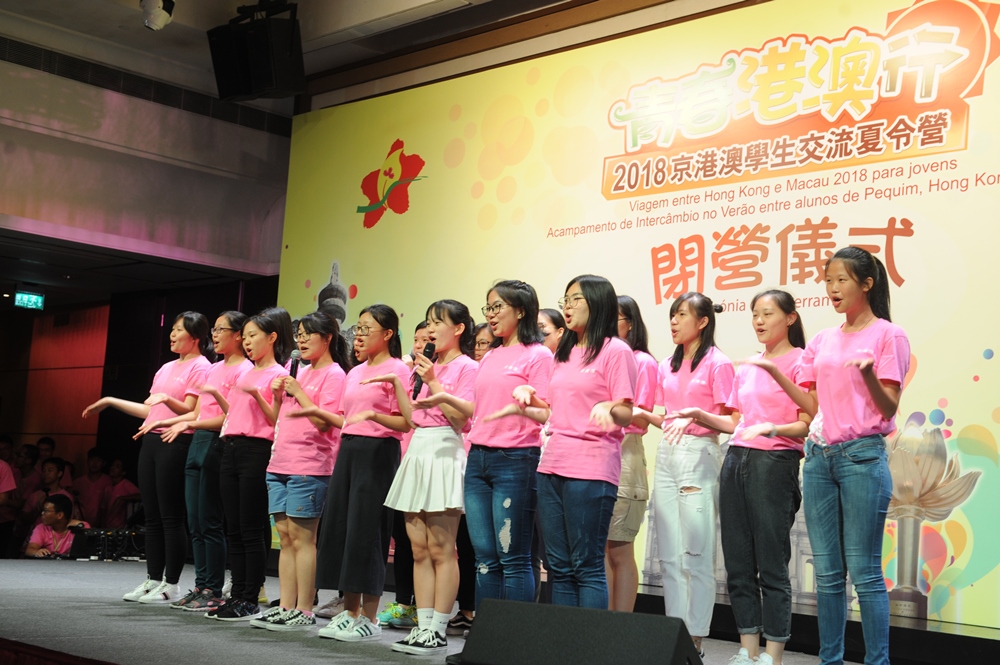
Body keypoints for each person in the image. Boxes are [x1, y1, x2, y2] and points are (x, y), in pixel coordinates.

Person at [673, 290, 810, 665]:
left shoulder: (801, 361)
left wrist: (772, 428)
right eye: (755, 314)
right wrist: (699, 414)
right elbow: (734, 422)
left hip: (775, 461)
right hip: (736, 458)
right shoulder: (749, 364)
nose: (759, 321)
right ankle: (747, 649)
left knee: (772, 563)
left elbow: (807, 423)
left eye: (768, 314)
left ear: (790, 318)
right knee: (737, 562)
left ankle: (773, 653)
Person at [792, 247, 909, 665]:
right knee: (827, 574)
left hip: (862, 457)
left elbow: (889, 406)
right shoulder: (823, 339)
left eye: (841, 280)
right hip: (819, 458)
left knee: (864, 572)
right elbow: (810, 405)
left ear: (867, 284)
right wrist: (772, 373)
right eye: (828, 280)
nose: (833, 288)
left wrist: (867, 373)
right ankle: (831, 660)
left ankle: (877, 661)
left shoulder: (888, 335)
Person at [84, 311, 214, 603]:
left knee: (171, 516)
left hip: (176, 440)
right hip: (152, 440)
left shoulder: (201, 367)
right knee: (152, 516)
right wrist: (110, 401)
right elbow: (150, 410)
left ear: (195, 337)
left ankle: (172, 584)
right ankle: (153, 579)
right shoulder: (165, 367)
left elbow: (192, 411)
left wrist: (167, 400)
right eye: (172, 329)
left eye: (178, 330)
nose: (172, 334)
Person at [375, 300, 478, 654]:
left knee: (442, 548)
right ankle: (422, 625)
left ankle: (438, 628)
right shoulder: (425, 365)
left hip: (445, 449)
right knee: (418, 549)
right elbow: (411, 418)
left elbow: (461, 419)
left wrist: (433, 381)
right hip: (418, 449)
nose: (431, 329)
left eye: (438, 322)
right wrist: (402, 382)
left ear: (459, 328)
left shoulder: (467, 367)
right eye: (429, 322)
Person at [528, 275, 636, 608]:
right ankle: (566, 637)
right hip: (551, 466)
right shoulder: (564, 351)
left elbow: (626, 413)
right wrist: (525, 402)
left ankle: (590, 638)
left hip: (591, 469)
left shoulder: (615, 350)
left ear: (597, 303)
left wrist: (608, 406)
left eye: (576, 299)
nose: (568, 306)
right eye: (566, 300)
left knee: (586, 565)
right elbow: (553, 411)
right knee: (559, 567)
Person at [636, 291, 733, 657]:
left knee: (696, 552)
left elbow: (731, 422)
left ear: (703, 321)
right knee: (669, 555)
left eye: (681, 315)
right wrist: (643, 415)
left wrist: (697, 416)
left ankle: (696, 637)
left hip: (700, 453)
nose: (674, 322)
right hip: (668, 454)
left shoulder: (718, 363)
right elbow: (668, 419)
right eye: (672, 315)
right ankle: (675, 633)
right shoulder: (667, 364)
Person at [137, 311, 254, 612]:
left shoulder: (245, 370)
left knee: (211, 522)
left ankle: (213, 588)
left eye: (221, 329)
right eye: (214, 329)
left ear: (238, 335)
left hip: (219, 443)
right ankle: (201, 585)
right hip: (198, 442)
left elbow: (230, 416)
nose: (215, 334)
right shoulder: (214, 369)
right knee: (196, 522)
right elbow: (198, 412)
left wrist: (188, 423)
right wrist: (169, 422)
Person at [315, 304, 410, 642]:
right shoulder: (354, 372)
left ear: (388, 333)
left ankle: (369, 618)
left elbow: (405, 422)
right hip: (349, 450)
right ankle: (349, 612)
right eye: (358, 328)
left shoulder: (398, 369)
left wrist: (374, 416)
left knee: (368, 532)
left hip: (378, 453)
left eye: (367, 328)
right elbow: (346, 417)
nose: (360, 334)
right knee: (343, 530)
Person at [251, 310, 350, 631]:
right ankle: (286, 605)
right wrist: (277, 395)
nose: (302, 340)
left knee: (304, 539)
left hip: (310, 466)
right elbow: (277, 418)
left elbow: (325, 422)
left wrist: (298, 391)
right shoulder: (297, 371)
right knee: (285, 539)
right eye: (299, 334)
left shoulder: (334, 374)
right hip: (279, 463)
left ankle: (305, 608)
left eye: (308, 334)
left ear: (328, 338)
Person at [462, 280, 552, 610]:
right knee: (484, 558)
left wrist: (527, 400)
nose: (491, 314)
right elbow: (481, 408)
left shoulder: (539, 355)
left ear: (521, 310)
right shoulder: (491, 355)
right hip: (478, 459)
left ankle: (514, 635)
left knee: (513, 557)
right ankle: (485, 632)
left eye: (498, 306)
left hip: (515, 460)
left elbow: (547, 412)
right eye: (488, 307)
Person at [209, 308, 293, 621]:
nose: (246, 342)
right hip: (230, 447)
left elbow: (276, 419)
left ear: (271, 338)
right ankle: (238, 593)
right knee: (233, 527)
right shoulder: (246, 372)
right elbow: (234, 413)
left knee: (251, 528)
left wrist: (258, 395)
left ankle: (250, 597)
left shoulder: (279, 374)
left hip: (257, 450)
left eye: (252, 336)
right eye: (244, 337)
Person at [605, 295, 658, 612]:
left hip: (626, 454)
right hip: (599, 453)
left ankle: (619, 625)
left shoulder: (643, 361)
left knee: (619, 549)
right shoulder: (602, 356)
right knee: (600, 550)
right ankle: (602, 624)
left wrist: (609, 410)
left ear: (631, 323)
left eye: (616, 318)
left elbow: (642, 416)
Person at [25, 494, 89, 558]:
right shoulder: (41, 528)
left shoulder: (80, 526)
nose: (42, 513)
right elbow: (30, 550)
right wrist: (37, 552)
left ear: (59, 515)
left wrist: (80, 526)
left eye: (46, 511)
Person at [72, 448, 111, 526]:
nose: (94, 463)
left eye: (98, 461)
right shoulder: (78, 482)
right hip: (80, 524)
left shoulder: (108, 481)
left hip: (101, 525)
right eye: (92, 460)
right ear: (87, 461)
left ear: (104, 463)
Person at [101, 459, 140, 529]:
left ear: (123, 472)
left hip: (121, 528)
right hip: (108, 528)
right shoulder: (108, 488)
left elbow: (141, 496)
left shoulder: (126, 485)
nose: (113, 468)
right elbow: (104, 510)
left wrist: (123, 498)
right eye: (113, 465)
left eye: (117, 467)